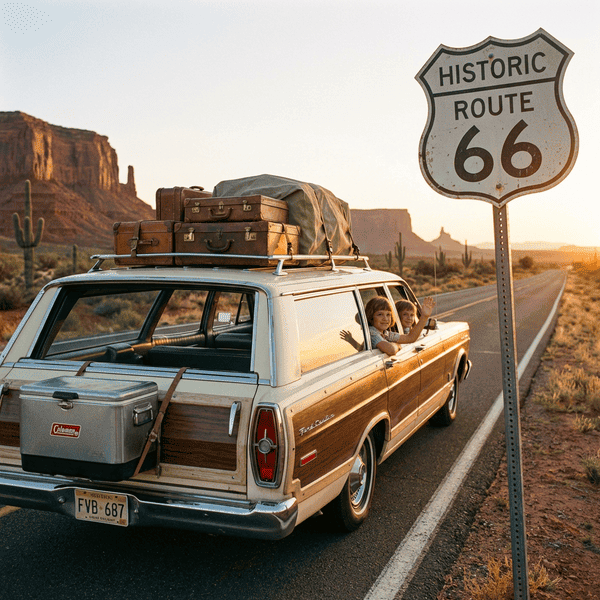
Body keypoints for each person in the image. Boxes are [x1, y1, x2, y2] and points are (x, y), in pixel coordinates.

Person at [365, 296, 435, 356]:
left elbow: (410, 338)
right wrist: (397, 345)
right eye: (380, 314)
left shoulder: (385, 333)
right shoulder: (372, 332)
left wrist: (424, 317)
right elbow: (391, 350)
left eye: (388, 314)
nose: (385, 319)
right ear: (371, 316)